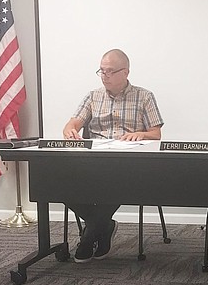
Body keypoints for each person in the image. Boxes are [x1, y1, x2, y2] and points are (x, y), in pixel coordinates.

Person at [62, 48, 164, 263]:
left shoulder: (144, 96)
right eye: (101, 71)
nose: (104, 76)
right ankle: (102, 225)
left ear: (125, 72)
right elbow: (72, 123)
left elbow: (156, 134)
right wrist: (70, 131)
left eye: (110, 72)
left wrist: (140, 134)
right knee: (58, 181)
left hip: (128, 164)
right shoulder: (93, 96)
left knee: (118, 181)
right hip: (94, 160)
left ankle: (89, 235)